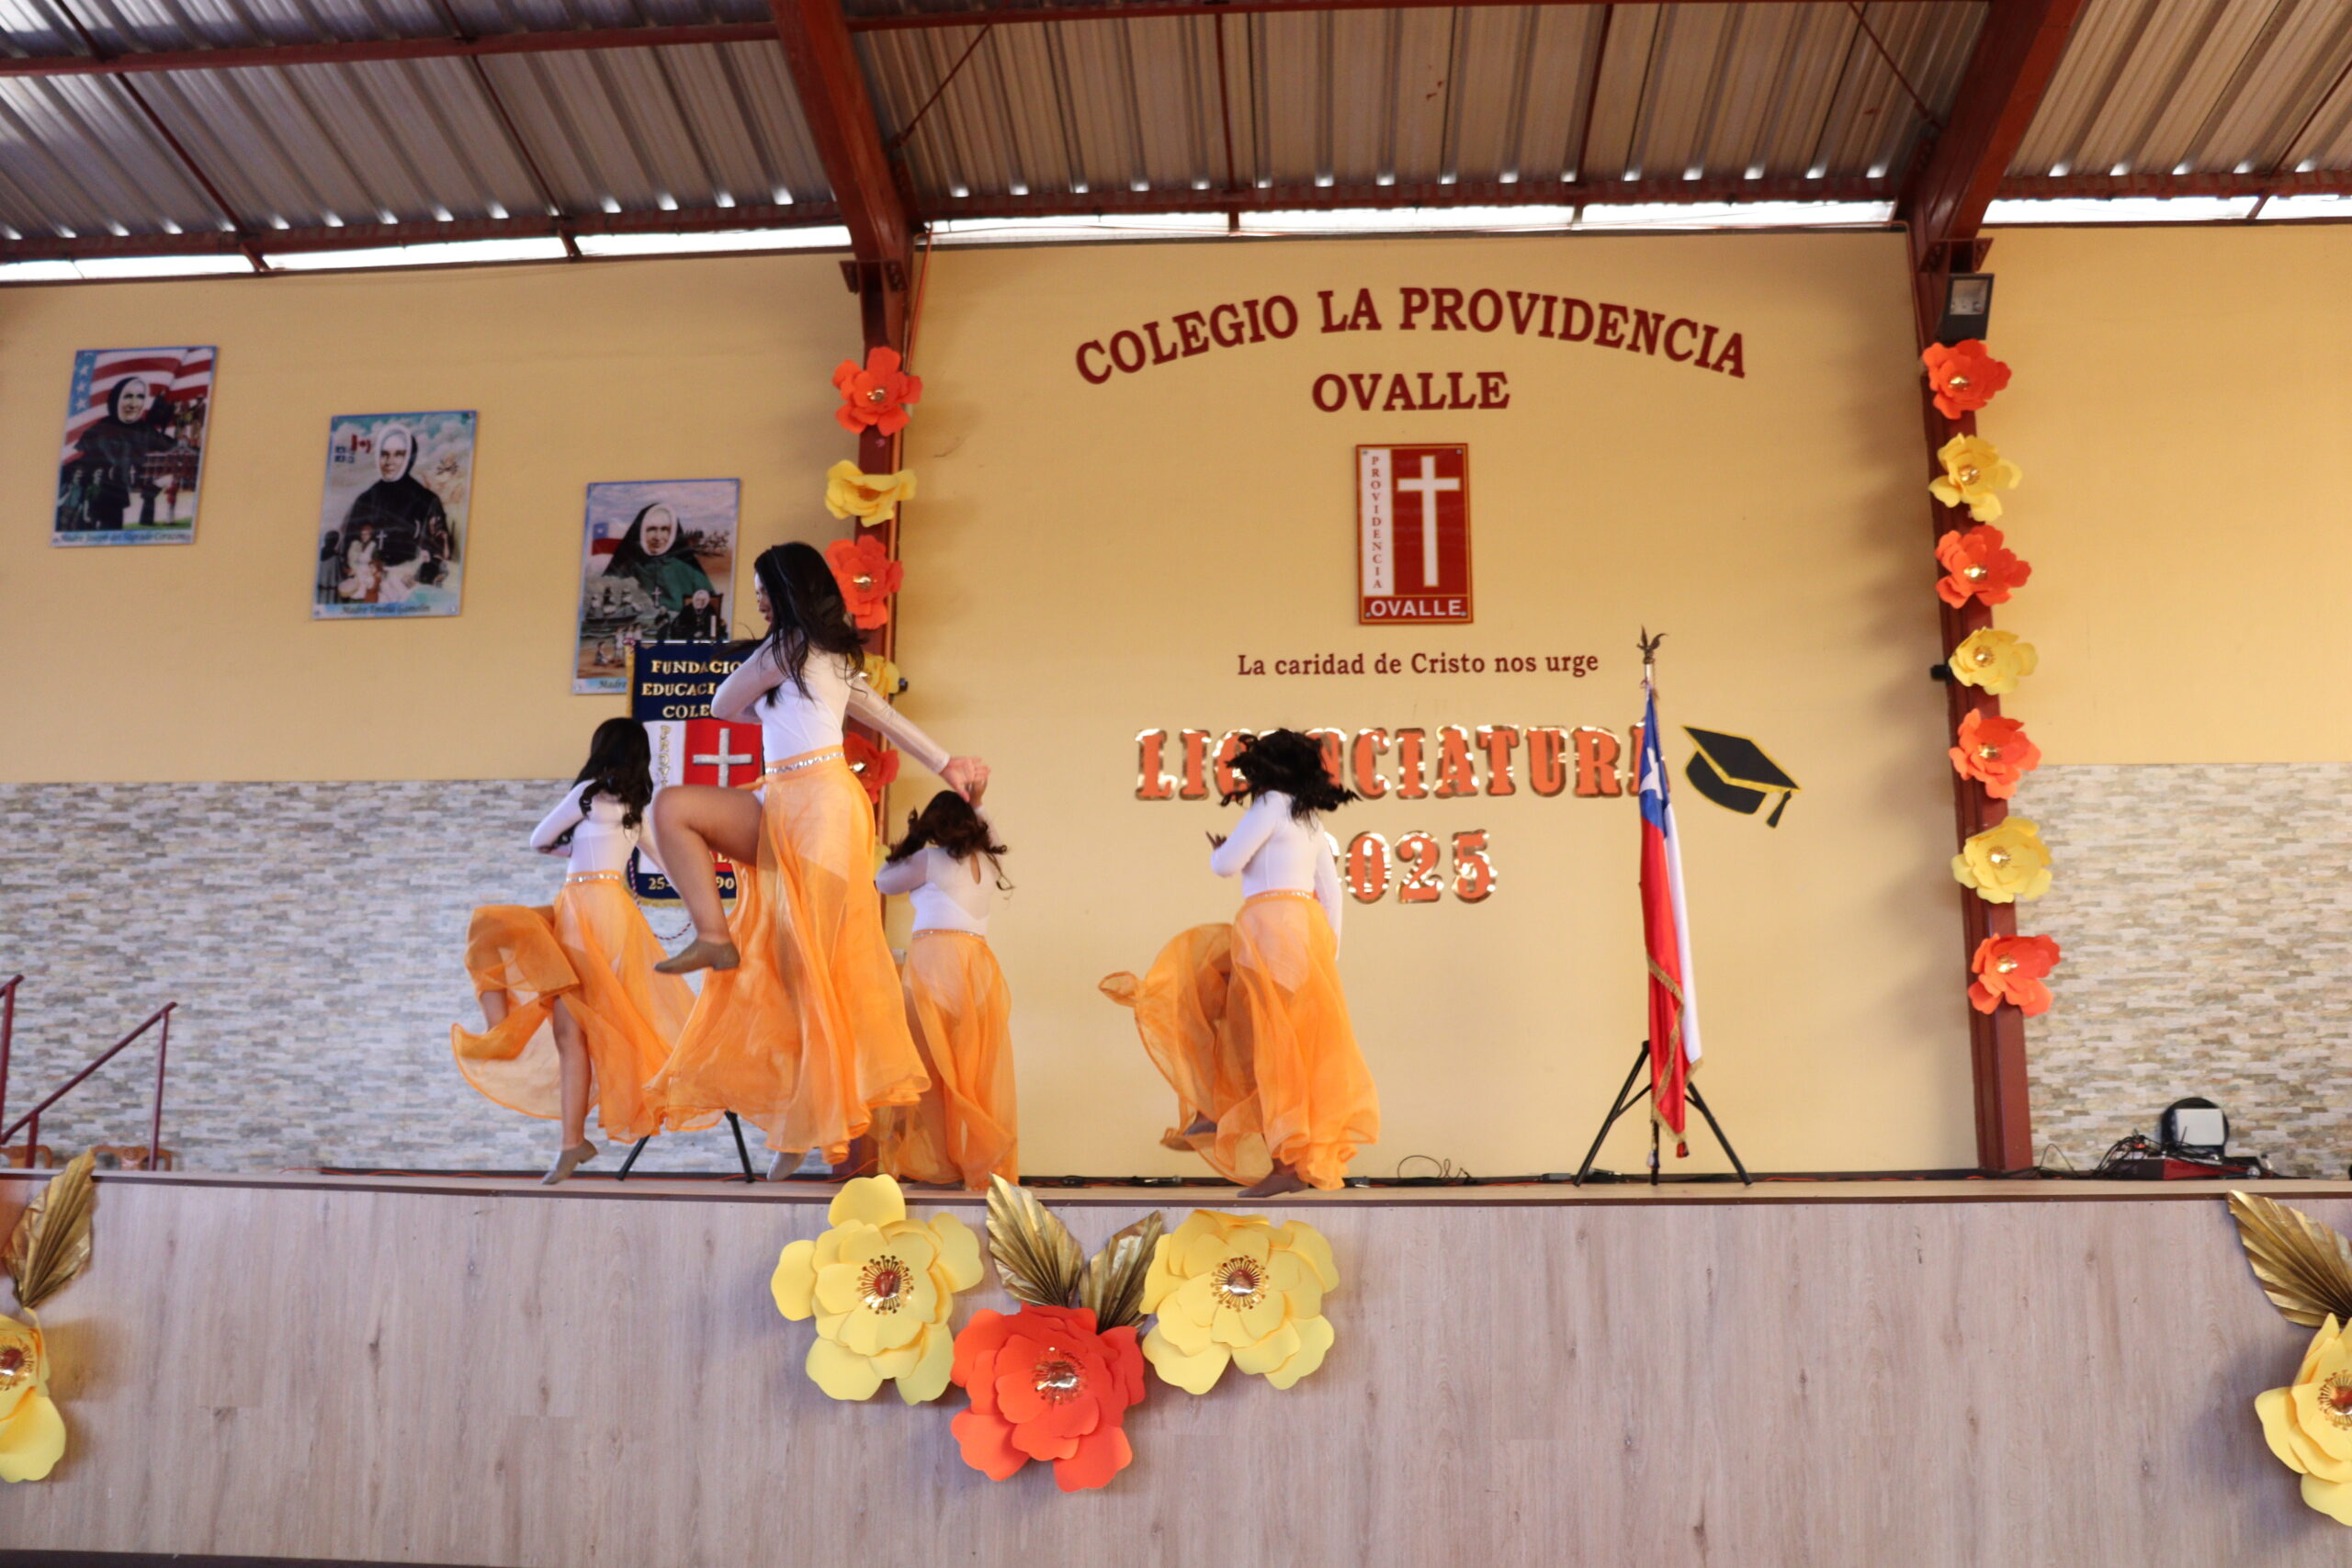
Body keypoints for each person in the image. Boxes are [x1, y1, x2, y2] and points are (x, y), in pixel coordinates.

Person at [643, 541, 988, 1179]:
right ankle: (714, 935)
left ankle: (806, 1124)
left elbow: (724, 705)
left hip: (824, 802)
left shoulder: (789, 649)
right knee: (673, 808)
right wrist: (945, 762)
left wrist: (947, 765)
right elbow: (878, 714)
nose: (757, 602)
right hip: (780, 797)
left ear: (786, 589)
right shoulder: (813, 656)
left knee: (808, 966)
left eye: (762, 590)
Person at [1102, 728, 1380, 1197]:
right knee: (1262, 1032)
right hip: (1305, 931)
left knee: (1258, 1038)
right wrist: (1327, 954)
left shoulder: (1269, 804)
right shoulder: (1309, 819)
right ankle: (1221, 1113)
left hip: (1268, 926)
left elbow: (1226, 865)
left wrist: (1220, 849)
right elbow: (1331, 894)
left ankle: (1275, 1158)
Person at [452, 717, 713, 1182]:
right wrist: (705, 911)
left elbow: (538, 840)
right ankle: (572, 1142)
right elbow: (672, 866)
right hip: (615, 913)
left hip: (582, 909)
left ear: (602, 750)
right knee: (576, 1027)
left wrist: (570, 850)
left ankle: (505, 1037)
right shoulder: (637, 810)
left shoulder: (588, 795)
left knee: (501, 940)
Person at [871, 788, 1018, 1190]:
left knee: (927, 1067)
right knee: (972, 1069)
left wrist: (913, 839)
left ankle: (939, 1164)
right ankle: (980, 1158)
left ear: (933, 824)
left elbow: (883, 882)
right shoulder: (989, 861)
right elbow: (994, 836)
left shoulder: (929, 859)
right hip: (977, 965)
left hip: (936, 961)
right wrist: (980, 803)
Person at [334, 425, 450, 598]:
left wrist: (419, 579)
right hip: (367, 582)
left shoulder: (427, 500)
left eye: (398, 454)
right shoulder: (365, 500)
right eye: (384, 454)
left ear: (409, 457)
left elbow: (437, 552)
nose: (389, 462)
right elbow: (348, 546)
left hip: (408, 585)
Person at [61, 375, 176, 530]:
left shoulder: (143, 430)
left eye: (140, 397)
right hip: (91, 496)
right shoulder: (99, 431)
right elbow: (77, 461)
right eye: (128, 396)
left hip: (116, 498)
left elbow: (171, 446)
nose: (134, 404)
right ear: (116, 399)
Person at [602, 503, 715, 638]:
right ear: (640, 531)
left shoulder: (690, 571)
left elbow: (710, 611)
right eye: (651, 529)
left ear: (673, 532)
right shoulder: (626, 568)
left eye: (665, 529)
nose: (658, 537)